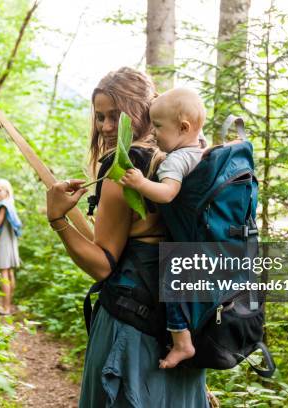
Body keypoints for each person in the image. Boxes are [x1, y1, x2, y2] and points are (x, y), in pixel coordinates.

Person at [45, 67, 209, 407]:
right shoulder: (181, 160)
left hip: (131, 332)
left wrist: (58, 217)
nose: (105, 127)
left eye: (115, 116)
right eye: (100, 117)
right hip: (181, 334)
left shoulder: (126, 167)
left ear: (142, 111)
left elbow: (103, 265)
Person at [119, 87, 207, 369]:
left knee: (171, 283)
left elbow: (167, 193)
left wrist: (139, 184)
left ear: (183, 127)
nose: (153, 133)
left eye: (158, 126)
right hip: (206, 240)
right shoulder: (203, 150)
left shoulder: (177, 159)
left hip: (184, 243)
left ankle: (182, 343)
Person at [0, 178, 22, 315]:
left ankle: (6, 308)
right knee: (9, 273)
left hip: (4, 243)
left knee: (4, 273)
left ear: (6, 191)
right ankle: (9, 305)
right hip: (10, 242)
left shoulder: (3, 205)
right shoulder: (10, 204)